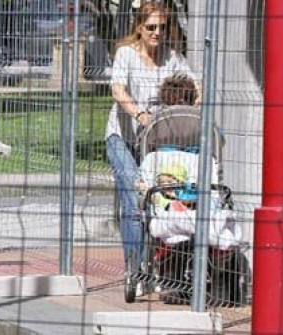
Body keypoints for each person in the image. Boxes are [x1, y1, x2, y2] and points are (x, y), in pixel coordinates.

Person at [105, 1, 196, 286]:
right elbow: (117, 88)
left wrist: (193, 110)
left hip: (155, 142)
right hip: (124, 137)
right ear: (140, 28)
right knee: (134, 201)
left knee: (158, 201)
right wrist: (139, 113)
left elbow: (196, 84)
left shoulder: (172, 58)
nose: (157, 33)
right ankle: (136, 268)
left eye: (162, 27)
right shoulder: (126, 54)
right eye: (151, 27)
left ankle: (161, 265)